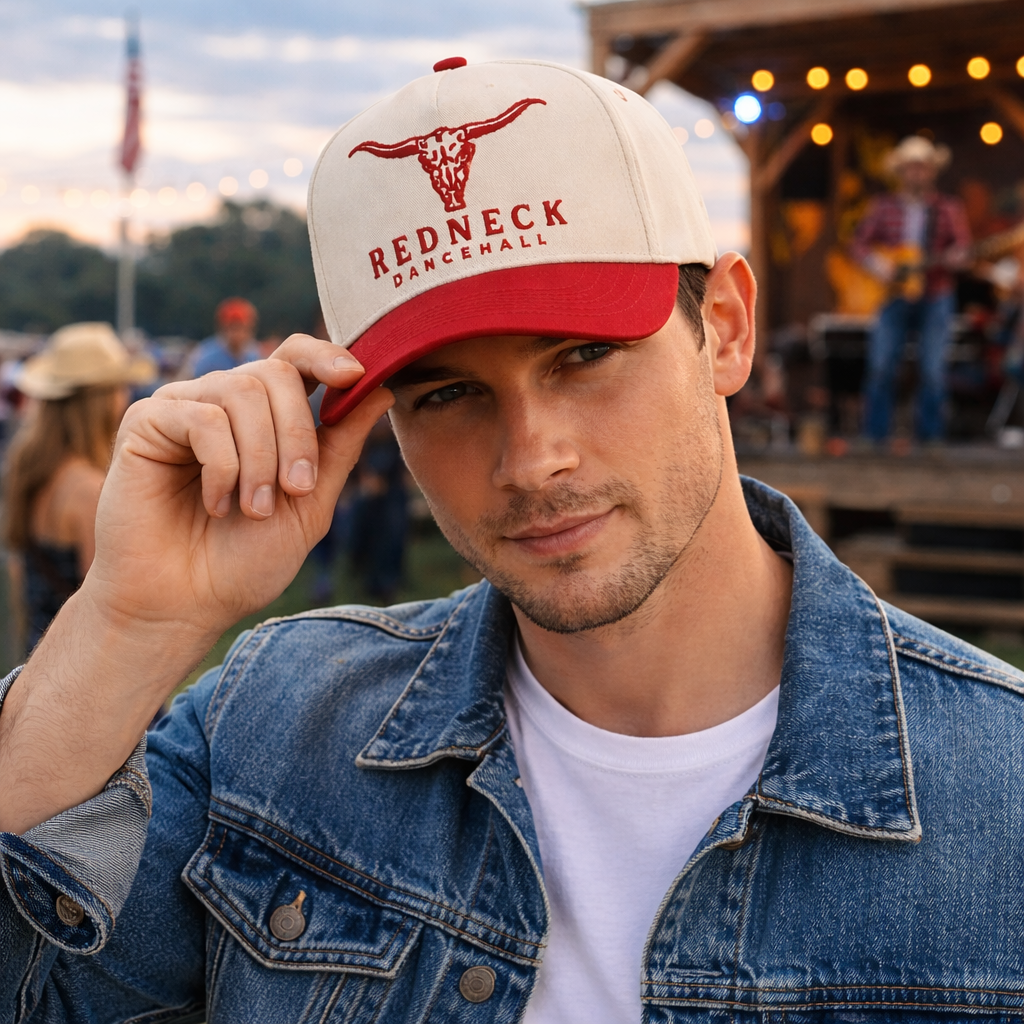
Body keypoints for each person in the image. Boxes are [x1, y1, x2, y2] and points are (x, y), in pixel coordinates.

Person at [3, 59, 1024, 1023]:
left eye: (585, 355)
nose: (531, 459)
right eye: (447, 392)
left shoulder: (1000, 791)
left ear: (723, 326)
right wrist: (128, 619)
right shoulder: (274, 723)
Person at [1, 322, 155, 654]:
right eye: (120, 386)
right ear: (100, 399)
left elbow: (20, 573)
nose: (125, 396)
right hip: (85, 675)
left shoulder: (27, 468)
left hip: (38, 654)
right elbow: (110, 615)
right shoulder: (90, 490)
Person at [851, 135, 972, 444]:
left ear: (932, 171)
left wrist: (958, 258)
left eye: (923, 167)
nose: (917, 173)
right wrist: (879, 265)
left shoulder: (948, 208)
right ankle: (874, 439)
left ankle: (929, 442)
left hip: (936, 295)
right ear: (901, 171)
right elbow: (858, 245)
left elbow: (963, 248)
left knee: (933, 370)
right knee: (881, 366)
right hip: (893, 296)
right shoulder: (882, 207)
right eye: (912, 167)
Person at [187, 296, 260, 377]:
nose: (237, 334)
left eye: (241, 328)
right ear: (222, 329)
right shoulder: (204, 356)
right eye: (232, 328)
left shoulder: (256, 354)